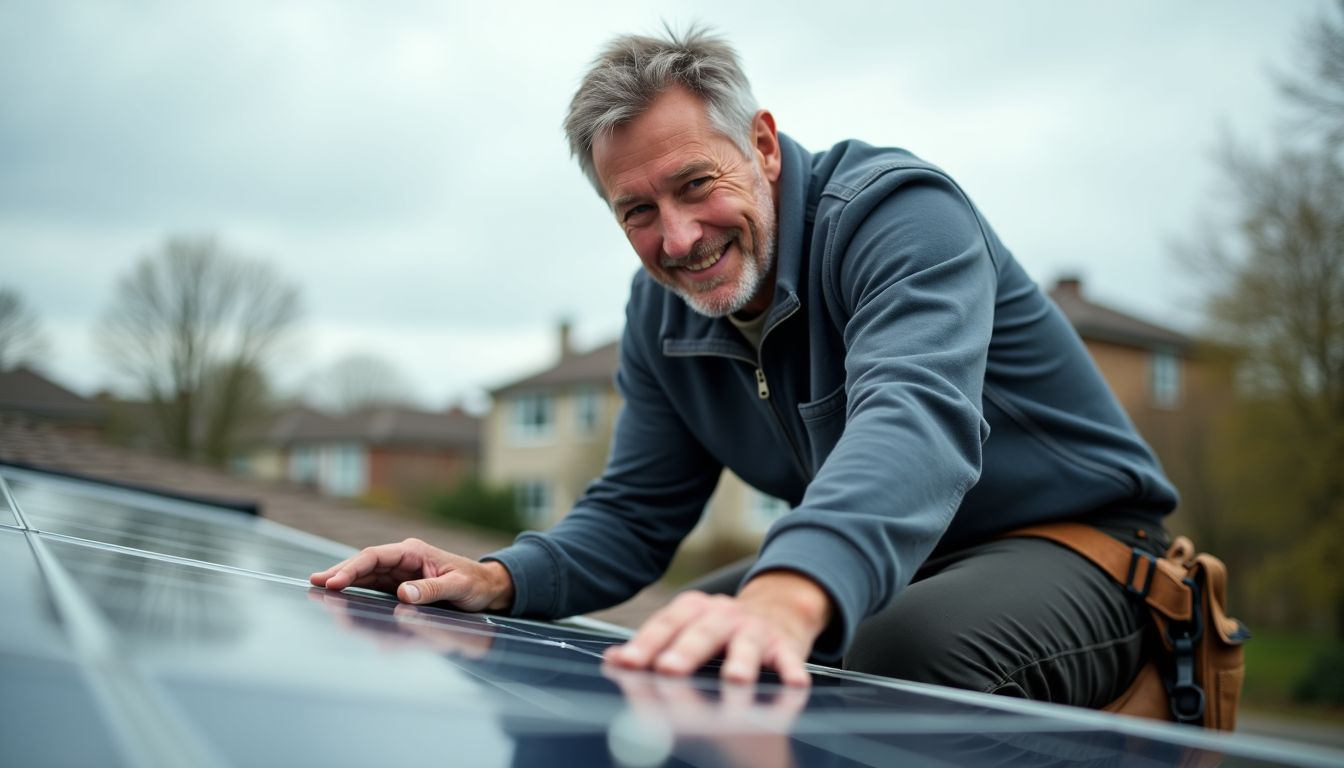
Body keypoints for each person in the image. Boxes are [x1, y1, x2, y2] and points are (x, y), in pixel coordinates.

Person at [311, 26, 1178, 706]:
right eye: (638, 211)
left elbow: (914, 422)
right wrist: (496, 578)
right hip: (899, 566)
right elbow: (634, 513)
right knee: (663, 647)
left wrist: (789, 595)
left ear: (762, 144)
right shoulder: (660, 311)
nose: (679, 238)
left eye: (695, 185)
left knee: (893, 652)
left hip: (1083, 551)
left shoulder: (901, 217)